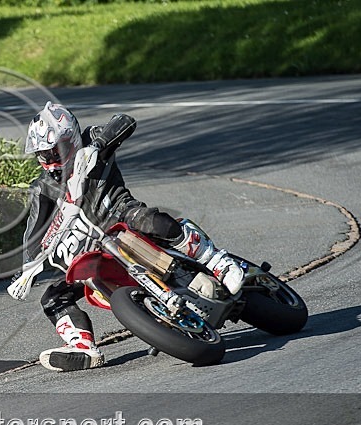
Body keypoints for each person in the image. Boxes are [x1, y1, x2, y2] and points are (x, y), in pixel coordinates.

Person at [13, 101, 245, 372]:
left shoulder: (92, 139)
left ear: (71, 139)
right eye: (43, 156)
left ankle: (216, 260)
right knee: (53, 297)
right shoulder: (43, 187)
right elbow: (33, 230)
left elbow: (124, 121)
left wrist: (98, 147)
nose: (50, 163)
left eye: (54, 152)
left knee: (150, 221)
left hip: (123, 217)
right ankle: (83, 347)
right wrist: (25, 270)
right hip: (92, 248)